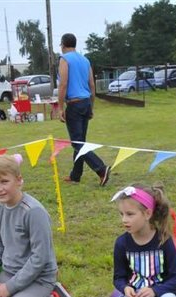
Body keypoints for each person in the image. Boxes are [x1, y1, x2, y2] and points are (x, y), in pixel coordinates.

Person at [0, 154, 80, 297]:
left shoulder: (34, 212)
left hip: (38, 278)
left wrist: (9, 288)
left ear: (19, 180)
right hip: (9, 272)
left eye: (4, 182)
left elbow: (39, 258)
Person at [57, 32, 111, 186]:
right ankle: (75, 175)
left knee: (77, 143)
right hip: (86, 102)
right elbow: (92, 85)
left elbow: (63, 84)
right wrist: (91, 106)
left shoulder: (64, 59)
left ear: (63, 45)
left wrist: (60, 108)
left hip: (74, 104)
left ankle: (101, 169)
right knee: (80, 141)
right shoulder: (85, 60)